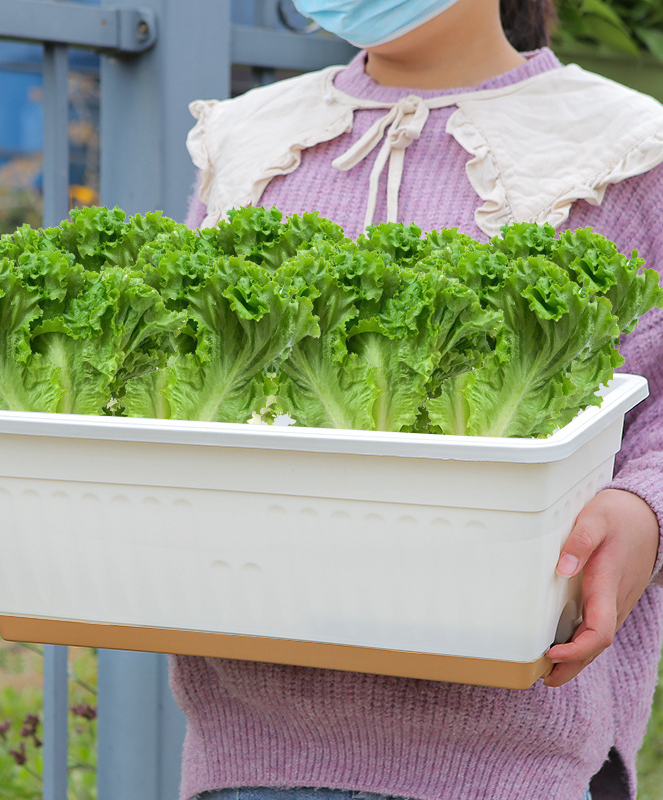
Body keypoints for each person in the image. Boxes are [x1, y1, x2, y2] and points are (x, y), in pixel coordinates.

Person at [171, 1, 663, 798]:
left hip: (524, 767)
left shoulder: (623, 144)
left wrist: (645, 511)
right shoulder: (252, 139)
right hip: (253, 755)